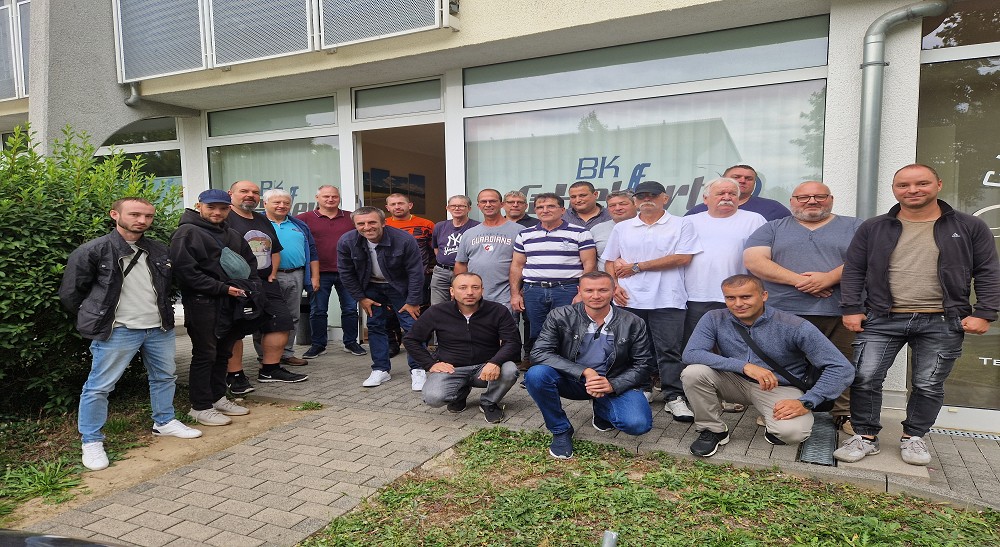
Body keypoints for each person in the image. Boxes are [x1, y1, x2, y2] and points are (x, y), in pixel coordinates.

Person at [835, 164, 999, 466]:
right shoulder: (874, 227)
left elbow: (988, 270)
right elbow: (855, 269)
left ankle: (913, 437)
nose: (912, 190)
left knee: (928, 383)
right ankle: (865, 436)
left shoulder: (969, 226)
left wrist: (985, 312)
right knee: (865, 377)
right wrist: (852, 308)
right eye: (903, 185)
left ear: (938, 184)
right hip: (881, 317)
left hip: (943, 319)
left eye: (921, 183)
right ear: (894, 189)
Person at [60, 198, 202, 470]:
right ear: (115, 214)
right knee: (99, 387)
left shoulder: (158, 249)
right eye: (135, 214)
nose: (142, 220)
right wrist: (97, 317)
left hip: (158, 327)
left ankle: (164, 422)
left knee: (164, 377)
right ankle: (91, 440)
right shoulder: (94, 250)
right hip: (118, 330)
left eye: (148, 216)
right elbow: (71, 293)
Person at [682, 275, 855, 457]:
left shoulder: (794, 325)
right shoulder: (714, 318)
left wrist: (808, 401)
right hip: (733, 380)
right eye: (730, 298)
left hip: (778, 387)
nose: (738, 304)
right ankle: (713, 430)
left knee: (793, 433)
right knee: (693, 373)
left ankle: (773, 423)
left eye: (746, 297)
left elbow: (841, 367)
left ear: (764, 295)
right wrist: (744, 366)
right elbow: (691, 353)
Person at [744, 181, 862, 433]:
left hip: (839, 311)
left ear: (831, 199)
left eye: (820, 196)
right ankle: (776, 408)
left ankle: (843, 413)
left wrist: (829, 278)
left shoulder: (855, 226)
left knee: (843, 361)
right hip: (783, 311)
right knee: (780, 362)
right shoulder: (773, 228)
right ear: (792, 201)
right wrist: (802, 281)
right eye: (803, 197)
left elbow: (868, 258)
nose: (812, 201)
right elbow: (754, 261)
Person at [525, 272, 655, 459]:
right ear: (579, 291)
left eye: (602, 290)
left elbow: (644, 364)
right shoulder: (560, 315)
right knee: (536, 375)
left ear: (614, 291)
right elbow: (539, 353)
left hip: (612, 381)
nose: (596, 296)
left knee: (637, 425)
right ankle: (561, 430)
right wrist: (585, 372)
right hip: (573, 379)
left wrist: (613, 385)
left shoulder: (633, 322)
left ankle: (601, 409)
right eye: (589, 290)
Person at [602, 180, 701, 422]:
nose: (647, 199)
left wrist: (637, 266)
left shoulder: (682, 224)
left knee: (669, 350)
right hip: (629, 299)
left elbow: (682, 258)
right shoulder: (623, 227)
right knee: (635, 349)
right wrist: (614, 286)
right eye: (642, 196)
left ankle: (674, 396)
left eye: (653, 195)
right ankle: (642, 388)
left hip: (669, 298)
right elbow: (610, 261)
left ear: (664, 198)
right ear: (635, 201)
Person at [169, 189, 262, 427]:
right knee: (205, 354)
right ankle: (200, 407)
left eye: (222, 208)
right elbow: (185, 272)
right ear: (199, 206)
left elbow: (250, 264)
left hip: (232, 301)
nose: (217, 212)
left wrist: (250, 287)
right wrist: (222, 288)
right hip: (202, 303)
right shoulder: (186, 232)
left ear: (229, 208)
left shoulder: (232, 234)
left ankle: (218, 397)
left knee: (223, 352)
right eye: (211, 207)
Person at [224, 180, 308, 394]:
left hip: (265, 282)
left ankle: (270, 369)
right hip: (236, 284)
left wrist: (272, 273)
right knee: (234, 330)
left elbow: (275, 250)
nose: (250, 195)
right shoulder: (224, 217)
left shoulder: (262, 219)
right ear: (230, 193)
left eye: (254, 192)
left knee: (281, 322)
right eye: (244, 191)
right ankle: (234, 375)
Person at [403, 273, 521, 423]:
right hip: (452, 369)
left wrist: (495, 362)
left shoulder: (498, 310)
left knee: (510, 370)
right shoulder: (437, 312)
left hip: (485, 368)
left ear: (482, 290)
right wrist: (430, 364)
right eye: (463, 288)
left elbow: (512, 341)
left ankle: (489, 402)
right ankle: (460, 394)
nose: (470, 292)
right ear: (452, 291)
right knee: (433, 397)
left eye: (475, 287)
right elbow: (411, 340)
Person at [337, 206, 427, 389]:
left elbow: (416, 272)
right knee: (375, 326)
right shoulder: (347, 241)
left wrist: (413, 300)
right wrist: (361, 298)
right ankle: (380, 369)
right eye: (361, 224)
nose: (367, 227)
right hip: (370, 287)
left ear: (383, 222)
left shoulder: (404, 240)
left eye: (372, 222)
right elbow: (345, 272)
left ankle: (418, 369)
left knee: (412, 326)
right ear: (355, 225)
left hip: (400, 287)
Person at [510, 193, 597, 352]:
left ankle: (565, 365)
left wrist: (582, 293)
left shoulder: (580, 233)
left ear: (562, 210)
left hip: (567, 289)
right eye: (540, 207)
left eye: (551, 206)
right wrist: (515, 294)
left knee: (568, 331)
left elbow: (589, 264)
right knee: (537, 332)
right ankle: (539, 364)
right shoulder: (525, 234)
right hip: (533, 290)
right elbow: (517, 266)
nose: (545, 210)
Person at [684, 178, 766, 342]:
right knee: (699, 343)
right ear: (705, 198)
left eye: (732, 194)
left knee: (737, 343)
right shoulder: (689, 221)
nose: (727, 197)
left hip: (738, 296)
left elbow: (765, 256)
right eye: (721, 193)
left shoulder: (754, 220)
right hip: (697, 295)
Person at [295, 185, 366, 358]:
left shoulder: (352, 217)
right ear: (317, 198)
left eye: (334, 196)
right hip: (319, 272)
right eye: (326, 196)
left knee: (350, 309)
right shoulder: (303, 219)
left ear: (339, 198)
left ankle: (350, 342)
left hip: (347, 271)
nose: (330, 199)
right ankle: (318, 345)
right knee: (318, 310)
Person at [260, 189, 320, 366]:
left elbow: (312, 251)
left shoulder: (299, 225)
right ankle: (264, 356)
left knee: (292, 316)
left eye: (286, 203)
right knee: (264, 316)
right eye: (277, 202)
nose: (282, 206)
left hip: (296, 274)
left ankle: (286, 353)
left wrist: (315, 276)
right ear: (265, 204)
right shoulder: (258, 223)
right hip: (267, 277)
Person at [454, 189, 523, 309]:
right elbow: (461, 264)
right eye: (483, 201)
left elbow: (525, 264)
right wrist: (460, 290)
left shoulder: (519, 231)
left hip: (505, 296)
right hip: (475, 295)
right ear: (478, 206)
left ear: (502, 204)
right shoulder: (469, 233)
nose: (488, 204)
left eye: (492, 201)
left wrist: (517, 293)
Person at [685, 164, 791, 221]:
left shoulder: (773, 208)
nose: (742, 181)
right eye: (736, 177)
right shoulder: (699, 211)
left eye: (749, 178)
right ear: (722, 179)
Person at [429, 195, 479, 305]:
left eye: (461, 206)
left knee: (464, 304)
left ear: (469, 208)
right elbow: (436, 248)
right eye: (453, 206)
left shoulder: (477, 227)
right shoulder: (439, 226)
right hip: (441, 273)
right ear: (447, 208)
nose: (457, 208)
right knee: (437, 307)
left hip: (467, 272)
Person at [590, 190, 638, 273]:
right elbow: (590, 261)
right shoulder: (596, 229)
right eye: (612, 205)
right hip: (606, 279)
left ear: (635, 204)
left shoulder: (649, 225)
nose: (618, 208)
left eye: (623, 204)